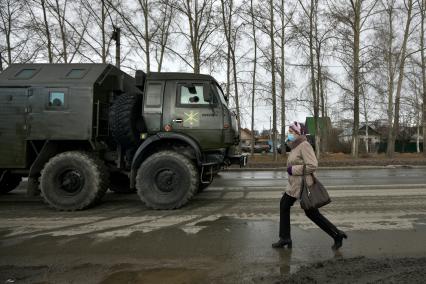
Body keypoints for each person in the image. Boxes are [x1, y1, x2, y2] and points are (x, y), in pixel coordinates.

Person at [272, 121, 347, 250]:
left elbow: (313, 165)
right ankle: (285, 238)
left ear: (299, 133)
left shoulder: (304, 145)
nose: (289, 134)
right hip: (294, 184)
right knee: (293, 208)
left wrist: (292, 170)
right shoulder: (295, 146)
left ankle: (336, 234)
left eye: (292, 131)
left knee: (308, 212)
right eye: (289, 131)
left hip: (303, 186)